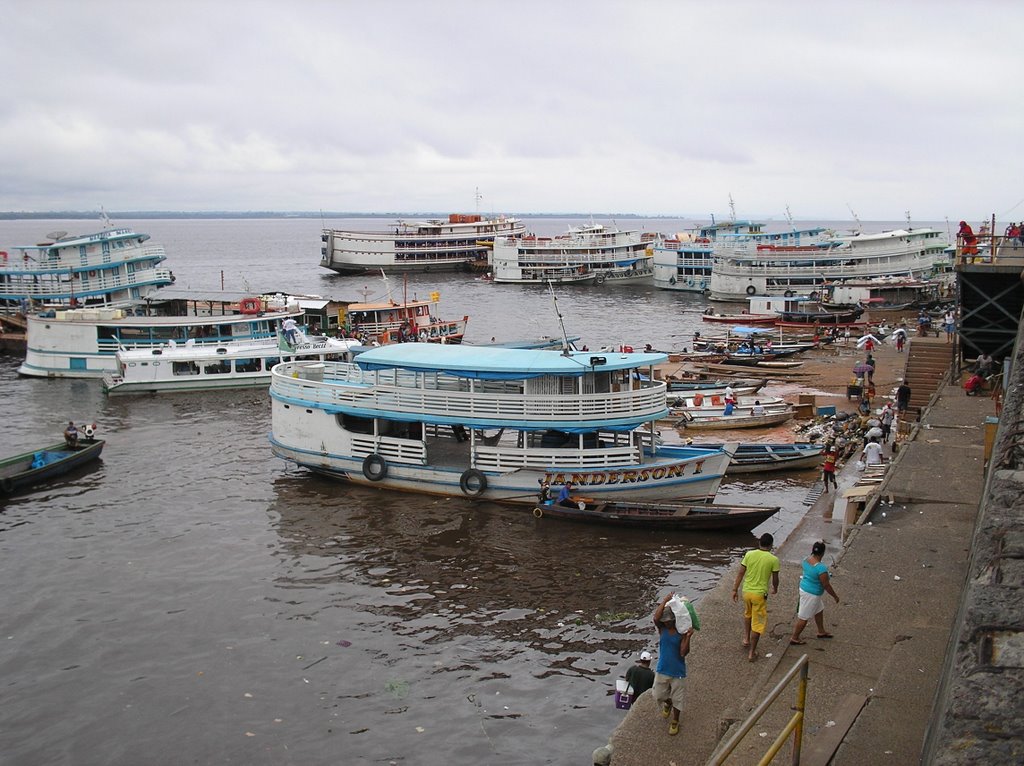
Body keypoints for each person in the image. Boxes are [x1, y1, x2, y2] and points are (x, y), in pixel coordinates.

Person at [731, 533, 780, 662]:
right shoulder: (773, 559)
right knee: (758, 623)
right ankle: (752, 653)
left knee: (748, 614)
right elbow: (775, 579)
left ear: (759, 543)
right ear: (771, 545)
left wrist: (735, 589)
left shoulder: (749, 554)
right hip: (759, 595)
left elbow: (741, 573)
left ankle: (746, 639)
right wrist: (775, 588)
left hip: (746, 592)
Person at [652, 592, 693, 736]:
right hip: (662, 669)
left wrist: (687, 638)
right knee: (658, 695)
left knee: (678, 700)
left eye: (669, 620)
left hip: (677, 671)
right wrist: (664, 601)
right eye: (665, 620)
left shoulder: (681, 632)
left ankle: (675, 721)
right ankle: (667, 702)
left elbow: (683, 653)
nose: (667, 622)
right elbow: (655, 618)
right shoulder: (662, 629)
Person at [789, 541, 840, 645]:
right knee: (803, 617)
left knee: (819, 610)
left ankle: (821, 631)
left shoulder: (806, 560)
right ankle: (795, 637)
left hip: (804, 588)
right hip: (812, 594)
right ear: (823, 553)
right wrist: (835, 596)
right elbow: (826, 585)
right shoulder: (821, 568)